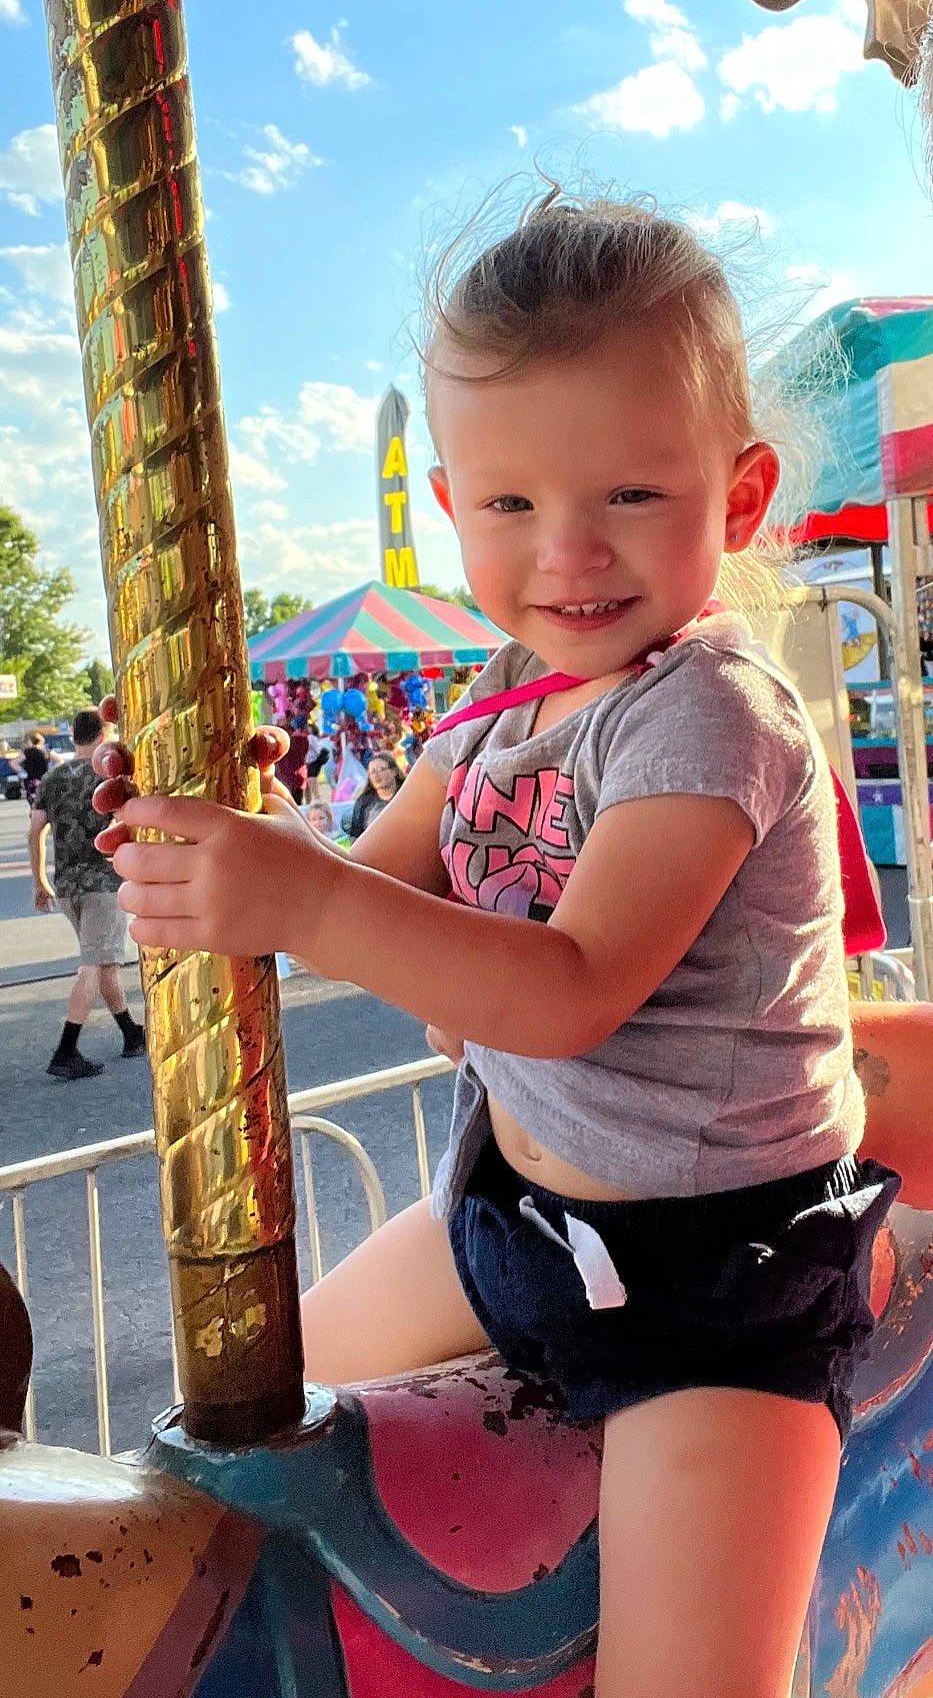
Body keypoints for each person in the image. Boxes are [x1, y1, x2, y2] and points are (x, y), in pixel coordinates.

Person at [96, 192, 901, 1698]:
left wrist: (306, 900)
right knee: (229, 1448)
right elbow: (373, 883)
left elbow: (573, 989)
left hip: (710, 1289)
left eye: (631, 494)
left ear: (736, 498)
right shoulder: (500, 696)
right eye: (510, 503)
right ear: (452, 503)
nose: (567, 553)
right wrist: (249, 846)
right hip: (513, 1224)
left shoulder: (706, 714)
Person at [30, 706, 145, 1079]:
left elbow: (35, 830)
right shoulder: (107, 777)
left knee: (103, 959)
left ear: (74, 736)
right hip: (103, 882)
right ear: (103, 735)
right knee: (94, 963)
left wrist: (39, 880)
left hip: (67, 885)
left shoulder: (53, 777)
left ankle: (130, 1032)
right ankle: (66, 1050)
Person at [346, 754, 405, 838]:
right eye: (372, 772)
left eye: (381, 769)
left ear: (394, 771)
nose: (376, 775)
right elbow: (355, 836)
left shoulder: (406, 794)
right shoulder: (363, 802)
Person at [274, 710, 310, 805]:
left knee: (293, 801)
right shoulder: (300, 738)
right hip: (292, 776)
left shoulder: (295, 738)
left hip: (291, 776)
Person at [21, 730, 49, 808]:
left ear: (30, 741)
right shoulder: (44, 750)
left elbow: (13, 763)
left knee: (34, 805)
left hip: (31, 780)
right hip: (43, 779)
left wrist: (22, 771)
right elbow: (59, 760)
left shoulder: (27, 752)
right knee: (44, 805)